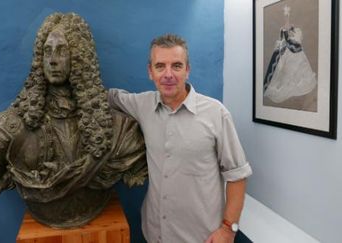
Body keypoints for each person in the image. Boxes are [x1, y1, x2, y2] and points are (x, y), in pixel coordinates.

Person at [0, 12, 147, 228]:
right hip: (42, 217)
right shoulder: (12, 124)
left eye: (61, 51)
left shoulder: (117, 129)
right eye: (47, 51)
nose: (52, 60)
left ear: (78, 58)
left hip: (96, 212)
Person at [108, 34, 252, 243]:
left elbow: (237, 176)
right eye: (160, 66)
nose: (168, 74)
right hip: (153, 234)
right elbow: (108, 97)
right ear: (150, 72)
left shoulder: (216, 114)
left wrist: (229, 229)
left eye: (176, 66)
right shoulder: (142, 105)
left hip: (201, 238)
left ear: (187, 70)